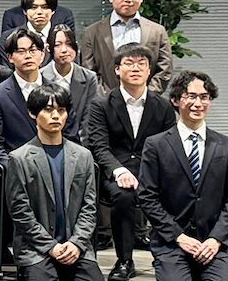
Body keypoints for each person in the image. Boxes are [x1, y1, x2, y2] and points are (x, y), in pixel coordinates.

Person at [137, 71, 228, 281]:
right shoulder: (156, 145)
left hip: (212, 243)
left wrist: (216, 239)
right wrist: (178, 236)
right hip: (172, 243)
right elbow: (147, 197)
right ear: (176, 100)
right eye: (191, 96)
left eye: (204, 97)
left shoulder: (226, 145)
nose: (198, 103)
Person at [83, 44, 176, 281]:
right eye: (129, 63)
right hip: (115, 171)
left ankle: (167, 255)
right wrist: (119, 170)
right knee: (123, 196)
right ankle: (124, 260)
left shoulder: (163, 106)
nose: (136, 68)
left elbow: (168, 147)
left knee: (177, 190)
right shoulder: (101, 104)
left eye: (141, 64)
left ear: (149, 70)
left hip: (151, 171)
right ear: (117, 69)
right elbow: (99, 146)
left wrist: (150, 173)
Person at [6, 82, 105, 281]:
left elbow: (89, 208)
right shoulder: (19, 158)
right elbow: (20, 212)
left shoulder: (83, 155)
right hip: (35, 249)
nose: (55, 116)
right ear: (33, 113)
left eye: (61, 110)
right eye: (48, 110)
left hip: (77, 247)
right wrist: (51, 246)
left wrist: (76, 243)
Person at [81, 0, 174, 93]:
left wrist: (145, 97)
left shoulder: (157, 31)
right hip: (105, 101)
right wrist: (107, 99)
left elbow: (165, 70)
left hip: (147, 101)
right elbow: (88, 72)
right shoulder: (92, 33)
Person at [0, 27, 49, 164]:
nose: (28, 56)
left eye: (33, 50)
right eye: (21, 51)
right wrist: (15, 169)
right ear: (10, 57)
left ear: (42, 55)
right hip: (16, 168)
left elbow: (69, 136)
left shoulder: (57, 91)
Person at [41, 25, 101, 142]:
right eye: (58, 45)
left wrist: (79, 148)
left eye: (69, 44)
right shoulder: (41, 76)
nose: (64, 50)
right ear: (48, 48)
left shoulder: (89, 77)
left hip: (80, 143)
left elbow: (88, 118)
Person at [0, 0, 60, 67]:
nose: (39, 12)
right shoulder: (7, 37)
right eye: (33, 7)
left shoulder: (62, 37)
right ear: (24, 11)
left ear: (53, 10)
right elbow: (6, 69)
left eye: (45, 7)